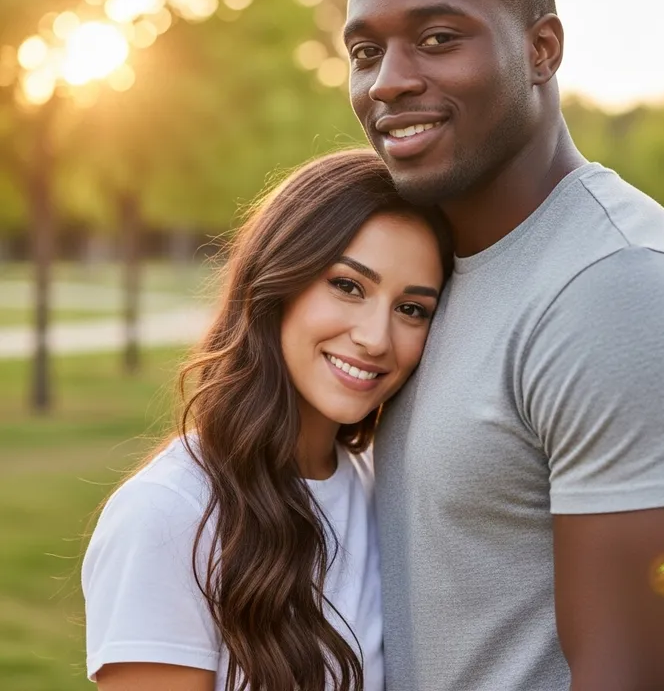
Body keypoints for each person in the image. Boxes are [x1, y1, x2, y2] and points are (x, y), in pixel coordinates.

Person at [344, 0, 664, 691]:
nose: (388, 80)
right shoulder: (435, 269)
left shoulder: (623, 295)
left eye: (437, 39)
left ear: (541, 50)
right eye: (366, 50)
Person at [81, 149, 453, 691]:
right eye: (348, 286)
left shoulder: (382, 491)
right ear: (279, 282)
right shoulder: (168, 514)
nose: (376, 337)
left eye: (412, 309)